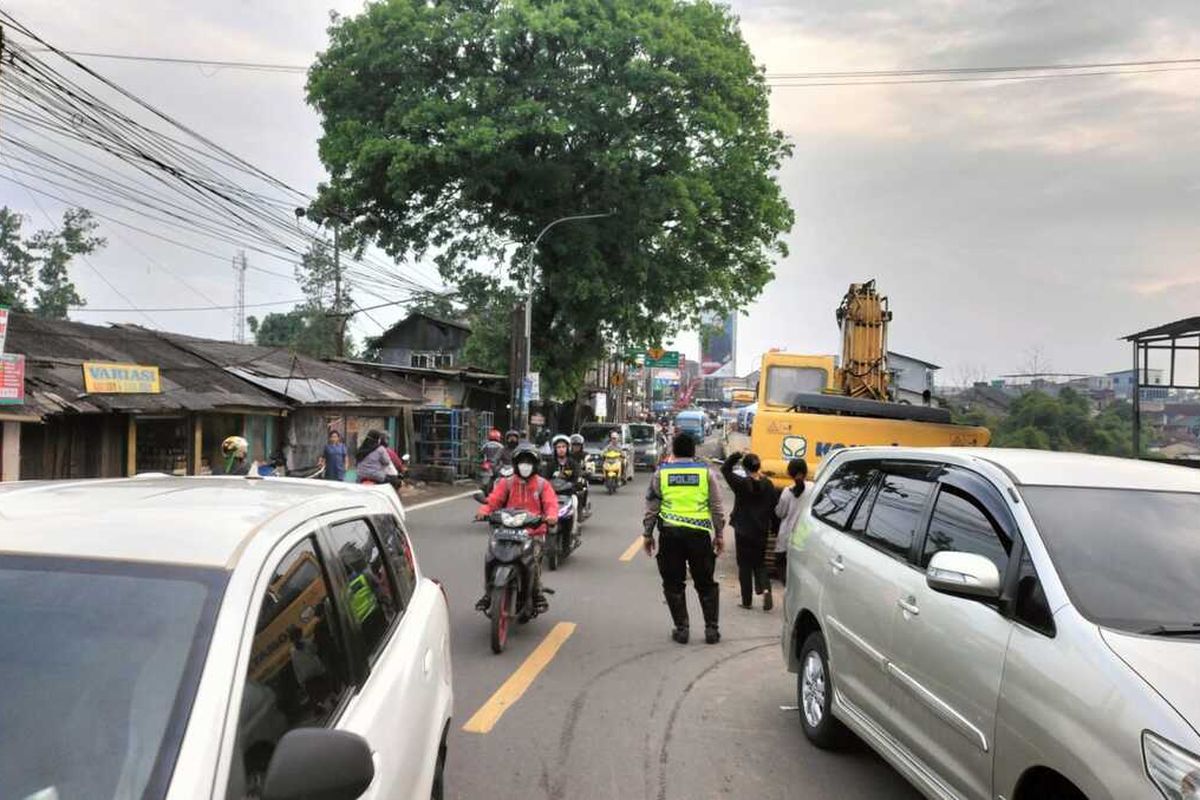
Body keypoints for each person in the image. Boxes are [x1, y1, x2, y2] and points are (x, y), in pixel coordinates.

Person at [643, 432, 726, 645]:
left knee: (673, 583)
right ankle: (711, 630)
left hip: (671, 535)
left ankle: (682, 629)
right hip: (699, 536)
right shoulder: (706, 473)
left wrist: (647, 534)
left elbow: (653, 507)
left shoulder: (661, 474)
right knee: (706, 583)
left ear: (674, 450)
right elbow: (716, 507)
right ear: (693, 451)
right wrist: (719, 534)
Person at [475, 443, 559, 613]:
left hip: (533, 532)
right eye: (522, 461)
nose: (525, 465)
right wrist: (483, 511)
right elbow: (493, 501)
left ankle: (536, 593)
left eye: (529, 462)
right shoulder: (506, 483)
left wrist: (551, 517)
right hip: (506, 530)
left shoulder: (543, 485)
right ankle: (489, 593)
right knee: (491, 556)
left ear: (535, 465)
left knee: (533, 561)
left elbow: (551, 504)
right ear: (515, 464)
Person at [721, 451, 779, 611]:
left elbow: (725, 470)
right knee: (759, 563)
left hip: (743, 530)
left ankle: (747, 601)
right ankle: (766, 590)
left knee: (744, 565)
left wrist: (736, 456)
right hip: (761, 530)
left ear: (745, 468)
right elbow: (774, 509)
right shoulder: (769, 485)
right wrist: (774, 527)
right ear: (759, 466)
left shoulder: (740, 483)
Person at [773, 458, 809, 585]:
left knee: (782, 567)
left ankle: (788, 589)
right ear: (806, 471)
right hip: (805, 537)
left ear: (789, 473)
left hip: (787, 538)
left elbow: (780, 513)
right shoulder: (814, 489)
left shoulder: (787, 492)